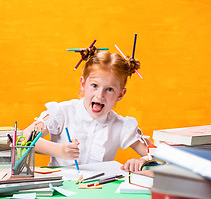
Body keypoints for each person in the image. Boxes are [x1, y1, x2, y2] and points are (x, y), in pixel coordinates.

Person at [22, 46, 153, 172]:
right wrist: (60, 150)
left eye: (109, 89)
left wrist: (143, 160)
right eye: (94, 85)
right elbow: (25, 137)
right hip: (60, 187)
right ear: (83, 84)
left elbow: (159, 155)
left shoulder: (121, 125)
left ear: (120, 94)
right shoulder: (62, 112)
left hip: (98, 189)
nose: (100, 95)